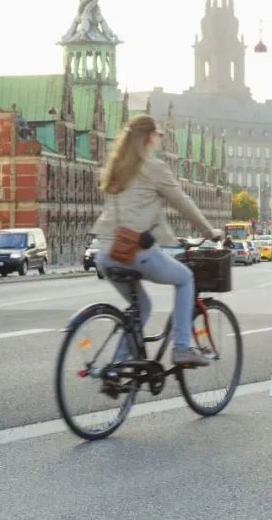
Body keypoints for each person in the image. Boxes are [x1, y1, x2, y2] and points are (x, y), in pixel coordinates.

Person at [90, 115, 223, 367]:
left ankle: (117, 368)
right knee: (185, 279)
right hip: (134, 251)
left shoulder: (115, 166)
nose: (159, 140)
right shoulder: (153, 167)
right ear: (149, 137)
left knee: (142, 307)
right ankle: (182, 347)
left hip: (106, 253)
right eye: (158, 135)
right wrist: (209, 230)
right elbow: (182, 201)